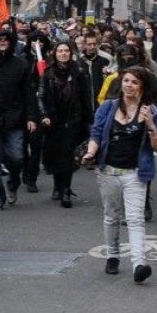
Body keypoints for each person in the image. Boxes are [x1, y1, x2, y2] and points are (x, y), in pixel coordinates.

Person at [83, 67, 157, 284]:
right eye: (126, 81)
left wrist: (150, 125)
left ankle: (139, 264)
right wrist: (90, 152)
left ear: (142, 86)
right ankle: (112, 255)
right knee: (111, 216)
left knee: (135, 219)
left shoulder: (152, 111)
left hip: (136, 173)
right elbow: (96, 133)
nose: (129, 85)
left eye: (134, 82)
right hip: (108, 171)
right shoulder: (108, 107)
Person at [0, 28, 39, 210]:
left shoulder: (20, 65)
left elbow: (28, 93)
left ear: (11, 43)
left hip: (14, 117)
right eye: (0, 40)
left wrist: (31, 117)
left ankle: (13, 182)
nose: (3, 42)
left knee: (17, 156)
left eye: (6, 40)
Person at [40, 39, 96, 208]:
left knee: (69, 155)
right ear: (55, 54)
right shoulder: (48, 73)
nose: (63, 54)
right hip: (53, 119)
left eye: (66, 51)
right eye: (60, 51)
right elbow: (41, 95)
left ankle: (66, 189)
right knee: (56, 154)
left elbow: (86, 97)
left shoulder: (79, 72)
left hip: (74, 119)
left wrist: (89, 119)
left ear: (71, 53)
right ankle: (57, 185)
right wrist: (43, 114)